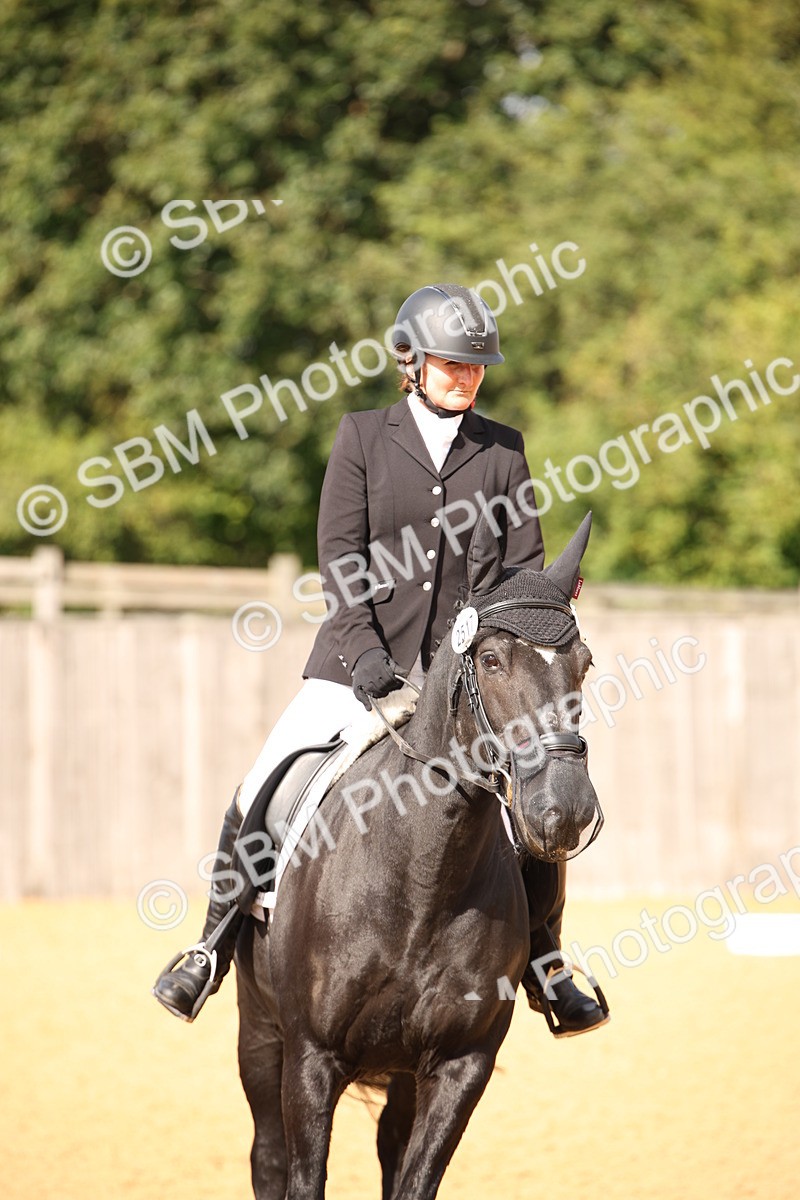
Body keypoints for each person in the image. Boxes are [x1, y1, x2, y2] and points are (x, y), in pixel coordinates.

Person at [152, 283, 608, 1037]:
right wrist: (363, 651)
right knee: (264, 782)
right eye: (451, 363)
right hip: (354, 665)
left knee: (534, 789)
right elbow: (339, 556)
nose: (466, 376)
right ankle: (211, 944)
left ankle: (548, 963)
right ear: (411, 360)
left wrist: (543, 599)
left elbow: (520, 570)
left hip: (461, 683)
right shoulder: (362, 436)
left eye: (475, 366)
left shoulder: (503, 450)